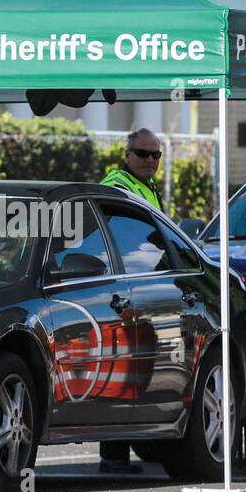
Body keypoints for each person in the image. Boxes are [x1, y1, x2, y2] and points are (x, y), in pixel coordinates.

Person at [96, 127, 164, 473]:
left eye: (156, 155)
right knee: (123, 371)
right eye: (143, 154)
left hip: (143, 289)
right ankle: (113, 456)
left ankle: (127, 451)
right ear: (127, 155)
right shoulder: (118, 187)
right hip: (123, 291)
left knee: (139, 372)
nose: (151, 160)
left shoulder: (145, 187)